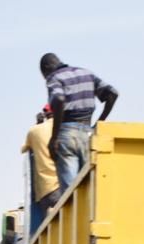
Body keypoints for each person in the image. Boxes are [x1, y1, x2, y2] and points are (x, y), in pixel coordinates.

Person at [40, 53, 118, 193]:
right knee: (89, 189)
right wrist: (99, 123)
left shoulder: (54, 78)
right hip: (88, 134)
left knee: (71, 193)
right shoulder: (86, 73)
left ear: (46, 69)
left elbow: (59, 100)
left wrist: (54, 137)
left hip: (67, 133)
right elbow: (112, 94)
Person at [21, 104, 59, 235]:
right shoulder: (64, 127)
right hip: (61, 186)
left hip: (44, 190)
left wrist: (37, 124)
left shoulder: (34, 131)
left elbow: (24, 149)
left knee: (48, 234)